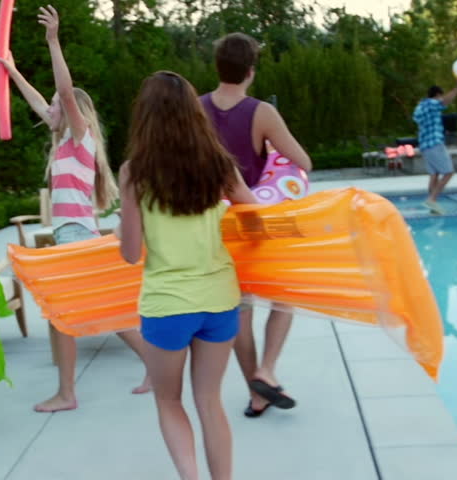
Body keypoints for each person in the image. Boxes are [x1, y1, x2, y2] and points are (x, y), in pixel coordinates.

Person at [0, 5, 150, 412]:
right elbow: (39, 102)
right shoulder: (64, 142)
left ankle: (68, 393)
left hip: (77, 238)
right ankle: (155, 366)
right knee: (97, 315)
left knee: (63, 313)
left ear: (73, 110)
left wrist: (53, 40)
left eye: (57, 104)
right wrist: (11, 71)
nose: (50, 107)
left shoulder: (81, 141)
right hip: (73, 236)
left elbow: (64, 92)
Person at [118, 70, 258, 480]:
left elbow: (130, 254)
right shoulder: (218, 164)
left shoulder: (134, 173)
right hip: (220, 300)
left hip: (168, 306)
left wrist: (122, 227)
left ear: (144, 117)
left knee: (168, 401)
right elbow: (255, 220)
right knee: (210, 402)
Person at [200, 33, 312, 417]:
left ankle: (256, 394)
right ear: (251, 71)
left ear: (217, 67)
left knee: (240, 308)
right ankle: (267, 370)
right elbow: (303, 161)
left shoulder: (194, 110)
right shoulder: (260, 112)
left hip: (216, 226)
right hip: (256, 220)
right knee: (286, 294)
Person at [413, 83, 457, 214]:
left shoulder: (420, 107)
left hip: (425, 146)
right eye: (440, 96)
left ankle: (432, 207)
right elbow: (446, 101)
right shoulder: (431, 103)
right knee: (448, 172)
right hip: (435, 144)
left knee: (434, 174)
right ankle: (432, 199)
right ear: (437, 95)